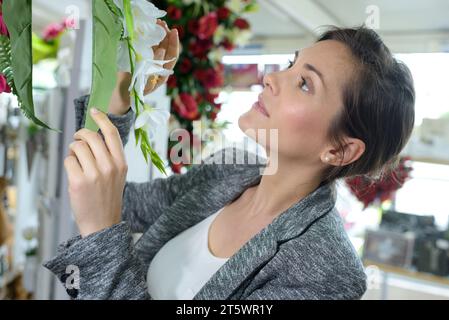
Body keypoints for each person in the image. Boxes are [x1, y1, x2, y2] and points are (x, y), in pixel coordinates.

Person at [44, 24, 415, 300]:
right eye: (291, 64)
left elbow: (102, 219)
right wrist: (118, 98)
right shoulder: (229, 170)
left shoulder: (328, 273)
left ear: (339, 150)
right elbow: (110, 199)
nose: (271, 77)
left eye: (305, 83)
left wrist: (100, 233)